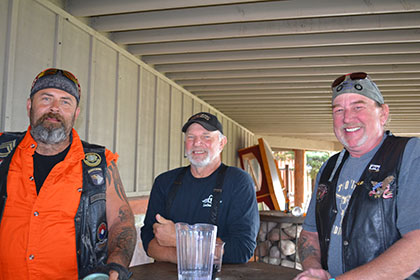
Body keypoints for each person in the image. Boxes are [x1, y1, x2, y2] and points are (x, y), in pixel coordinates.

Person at [0, 68, 136, 280]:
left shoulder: (99, 164)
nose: (55, 108)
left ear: (76, 113)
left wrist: (116, 265)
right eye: (46, 98)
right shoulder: (2, 152)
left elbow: (122, 223)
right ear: (29, 106)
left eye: (65, 102)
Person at [294, 72, 420, 280]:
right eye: (339, 110)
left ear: (383, 114)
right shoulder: (329, 167)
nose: (347, 118)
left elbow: (416, 244)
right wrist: (313, 269)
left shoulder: (409, 154)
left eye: (358, 107)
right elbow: (310, 234)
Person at [141, 112, 259, 264]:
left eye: (206, 136)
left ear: (222, 143)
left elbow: (241, 249)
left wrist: (179, 239)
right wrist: (190, 257)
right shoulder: (164, 181)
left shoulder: (238, 182)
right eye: (191, 137)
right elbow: (149, 241)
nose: (197, 143)